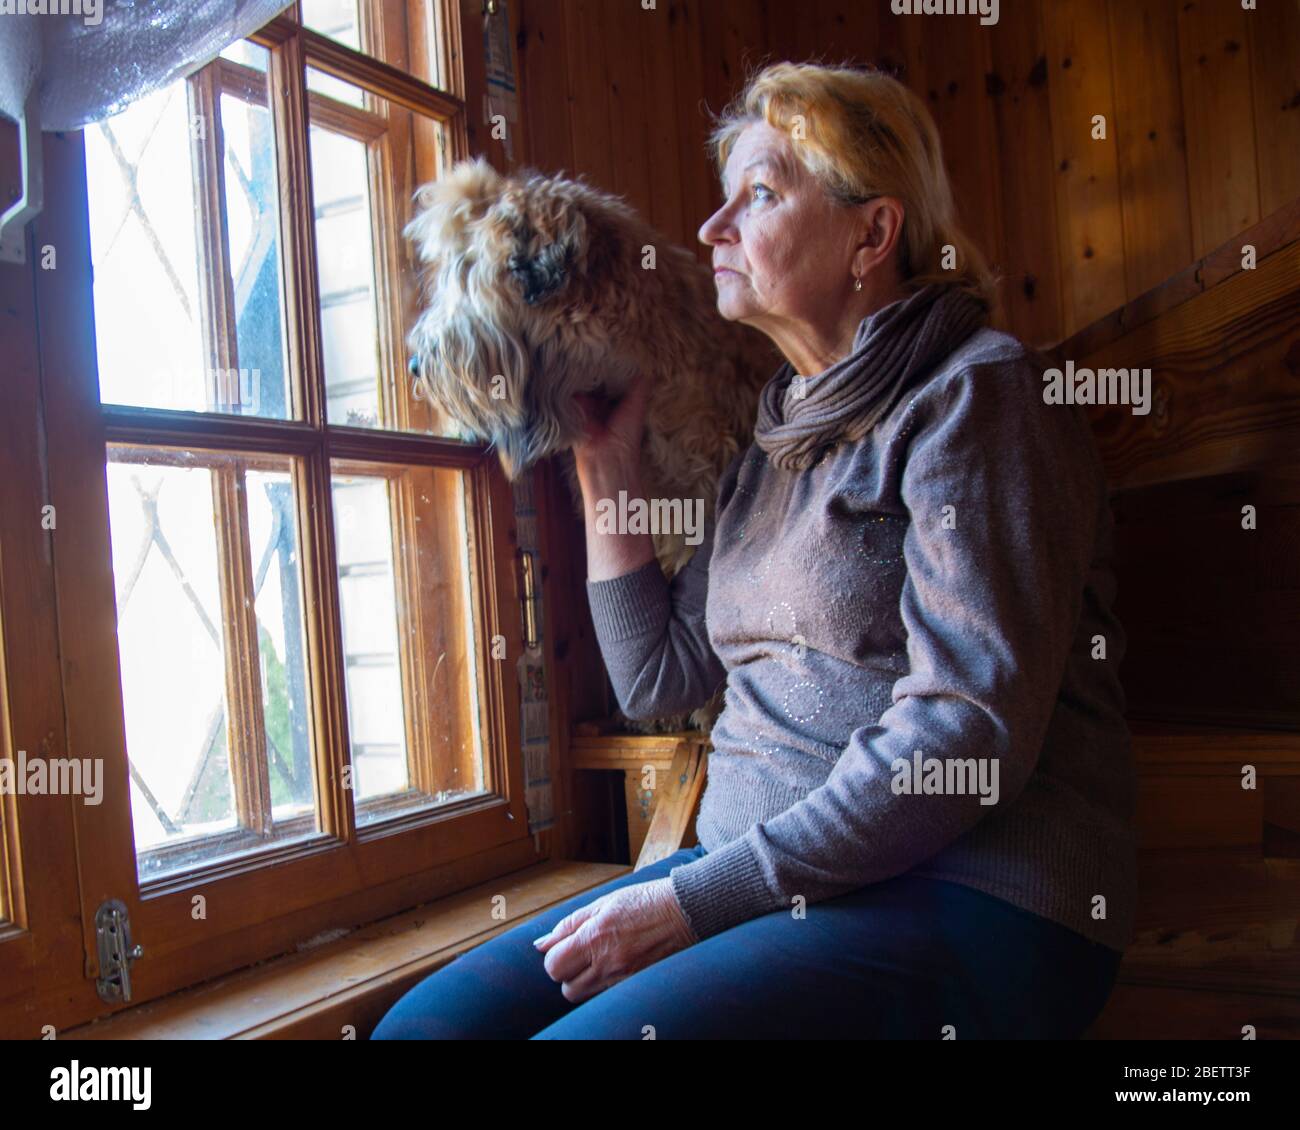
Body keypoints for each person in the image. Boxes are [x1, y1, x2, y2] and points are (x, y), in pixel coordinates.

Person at [371, 60, 1137, 1040]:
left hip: (968, 894)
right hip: (757, 884)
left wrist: (689, 902)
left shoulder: (976, 397)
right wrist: (605, 462)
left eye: (761, 193)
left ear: (873, 231)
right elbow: (659, 677)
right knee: (419, 1033)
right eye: (721, 195)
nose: (710, 227)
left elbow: (967, 733)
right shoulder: (772, 444)